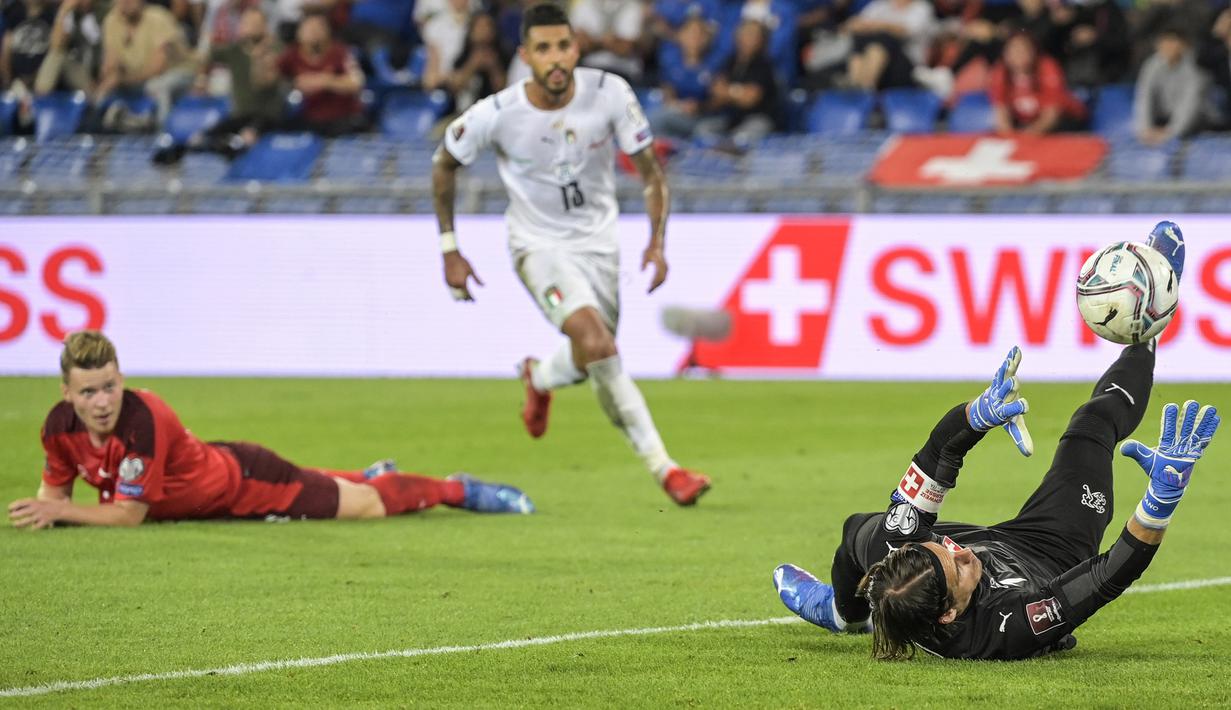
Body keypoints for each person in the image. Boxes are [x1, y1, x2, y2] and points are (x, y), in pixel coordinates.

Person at [772, 222, 1221, 660]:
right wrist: (1158, 504)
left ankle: (842, 611)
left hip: (983, 548)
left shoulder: (903, 550)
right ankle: (1146, 329)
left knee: (861, 531)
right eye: (959, 566)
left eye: (943, 547)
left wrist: (976, 416)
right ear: (950, 614)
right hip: (1051, 553)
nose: (961, 549)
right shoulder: (1006, 627)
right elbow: (1107, 575)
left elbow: (939, 452)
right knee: (1092, 425)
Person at [429, 3, 712, 507]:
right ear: (526, 56)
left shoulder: (610, 94)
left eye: (563, 46)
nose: (555, 59)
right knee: (597, 343)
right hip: (537, 246)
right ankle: (666, 469)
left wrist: (656, 242)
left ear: (576, 47)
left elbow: (650, 173)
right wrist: (450, 248)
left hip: (600, 247)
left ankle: (538, 376)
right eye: (543, 49)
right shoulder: (498, 113)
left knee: (590, 357)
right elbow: (444, 163)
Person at [8, 330, 535, 530]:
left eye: (108, 387)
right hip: (214, 473)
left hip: (245, 485)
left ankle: (458, 489)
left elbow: (125, 515)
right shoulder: (58, 429)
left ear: (121, 379)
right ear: (66, 394)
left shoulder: (143, 417)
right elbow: (51, 499)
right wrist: (49, 509)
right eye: (88, 392)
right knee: (345, 485)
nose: (101, 403)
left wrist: (58, 510)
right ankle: (365, 472)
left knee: (368, 506)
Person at [97, 0, 197, 123]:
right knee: (103, 93)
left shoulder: (158, 18)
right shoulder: (111, 21)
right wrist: (110, 75)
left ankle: (161, 135)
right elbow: (110, 62)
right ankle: (129, 124)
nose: (126, 2)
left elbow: (158, 68)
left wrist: (123, 80)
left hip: (179, 72)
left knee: (157, 87)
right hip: (138, 78)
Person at [275, 11, 366, 135]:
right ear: (299, 33)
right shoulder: (291, 55)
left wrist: (325, 80)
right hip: (307, 119)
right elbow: (271, 78)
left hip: (342, 117)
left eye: (318, 28)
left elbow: (357, 83)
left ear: (327, 31)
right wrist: (294, 84)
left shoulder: (340, 52)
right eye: (309, 28)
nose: (314, 33)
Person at [987, 31, 1086, 135]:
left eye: (1023, 50)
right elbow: (1000, 111)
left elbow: (1052, 113)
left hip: (1064, 119)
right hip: (1026, 120)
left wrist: (1029, 136)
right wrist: (1009, 136)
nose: (1018, 54)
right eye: (1013, 50)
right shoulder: (1000, 72)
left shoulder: (1047, 67)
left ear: (1034, 51)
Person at [1133, 26, 1209, 146]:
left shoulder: (1195, 68)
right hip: (1162, 121)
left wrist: (1170, 133)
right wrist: (1145, 129)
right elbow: (1144, 98)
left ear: (1184, 45)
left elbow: (1190, 106)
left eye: (1172, 42)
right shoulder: (1151, 65)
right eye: (1163, 42)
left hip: (1195, 124)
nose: (1167, 46)